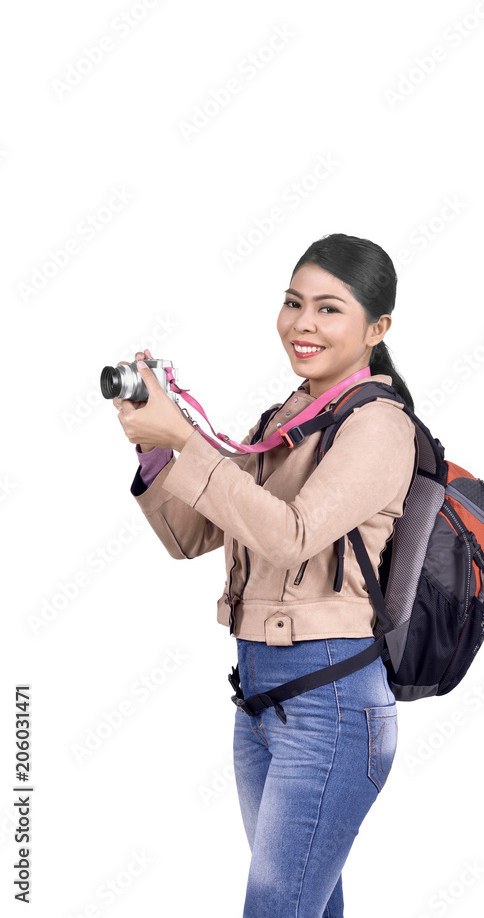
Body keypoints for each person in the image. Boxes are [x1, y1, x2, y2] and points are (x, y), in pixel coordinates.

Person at [113, 233, 417, 917]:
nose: (303, 324)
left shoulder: (377, 425)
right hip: (260, 699)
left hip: (331, 703)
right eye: (292, 303)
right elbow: (187, 536)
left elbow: (290, 537)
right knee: (304, 903)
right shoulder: (290, 418)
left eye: (329, 309)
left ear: (377, 327)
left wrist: (189, 442)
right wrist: (152, 442)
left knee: (277, 907)